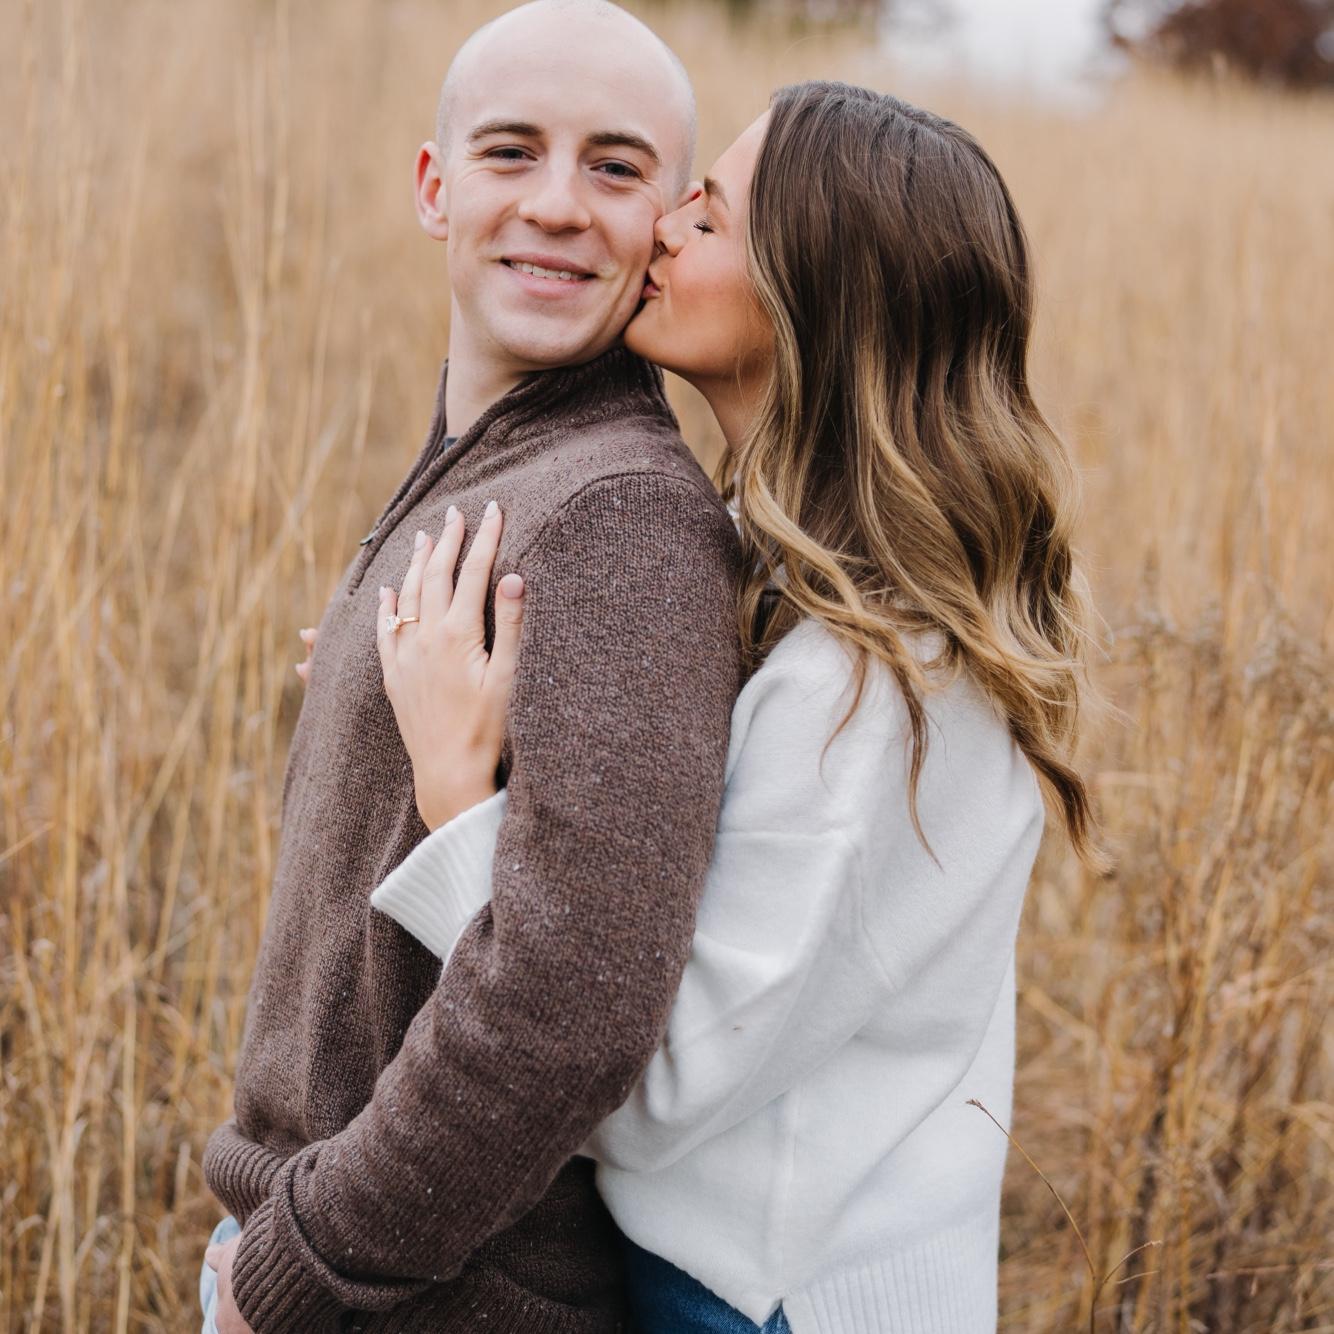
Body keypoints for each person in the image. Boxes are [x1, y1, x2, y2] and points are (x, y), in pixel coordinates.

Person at [366, 82, 1102, 1333]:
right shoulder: (797, 594)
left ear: (814, 300)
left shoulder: (873, 693)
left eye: (706, 216)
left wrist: (454, 793)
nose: (656, 226)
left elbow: (644, 1084)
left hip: (780, 1302)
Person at [199, 3, 744, 1331]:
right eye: (512, 152)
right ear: (435, 190)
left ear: (666, 222)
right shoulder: (501, 462)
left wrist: (301, 1261)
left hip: (429, 1291)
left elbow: (570, 1013)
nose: (558, 204)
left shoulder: (618, 514)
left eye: (614, 168)